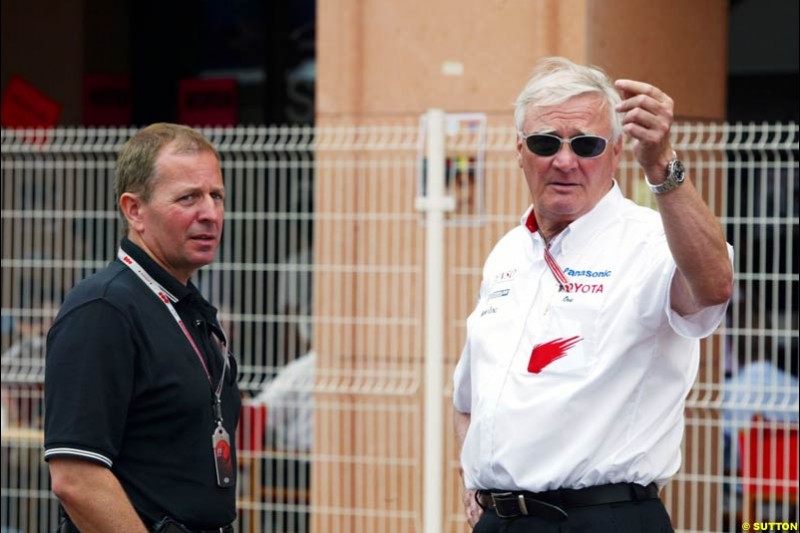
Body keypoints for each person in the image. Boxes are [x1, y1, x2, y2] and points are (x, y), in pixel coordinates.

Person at [452, 57, 734, 532]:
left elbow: (713, 287)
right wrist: (473, 480)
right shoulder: (508, 252)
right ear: (520, 150)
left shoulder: (650, 239)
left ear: (617, 151)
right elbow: (467, 397)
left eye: (586, 144)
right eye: (545, 143)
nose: (565, 160)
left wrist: (663, 167)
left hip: (603, 518)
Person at [44, 123, 241, 533]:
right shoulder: (104, 308)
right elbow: (75, 478)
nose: (210, 213)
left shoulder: (186, 306)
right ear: (134, 210)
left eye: (216, 196)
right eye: (188, 197)